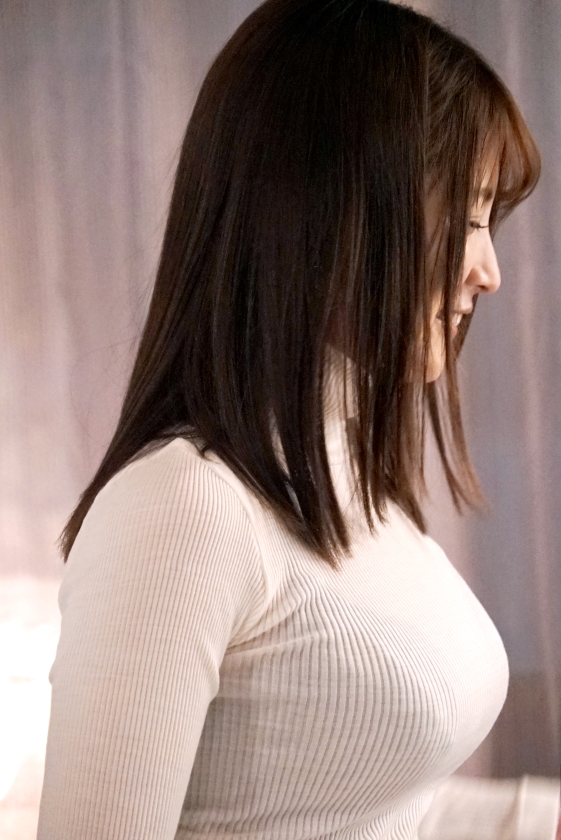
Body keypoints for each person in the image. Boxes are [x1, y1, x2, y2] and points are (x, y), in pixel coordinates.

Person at [37, 1, 560, 839]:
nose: (487, 271)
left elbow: (381, 808)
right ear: (335, 205)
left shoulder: (348, 477)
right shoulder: (181, 509)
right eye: (467, 217)